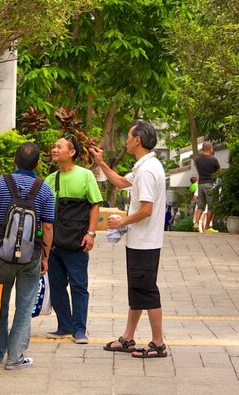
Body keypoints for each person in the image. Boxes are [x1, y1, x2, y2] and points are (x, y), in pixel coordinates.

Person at [90, 120, 169, 359]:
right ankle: (127, 338)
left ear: (138, 140)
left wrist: (121, 222)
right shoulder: (145, 166)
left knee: (147, 291)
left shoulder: (146, 170)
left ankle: (158, 344)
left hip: (145, 242)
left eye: (128, 136)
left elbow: (146, 209)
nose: (126, 140)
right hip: (141, 241)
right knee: (137, 290)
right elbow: (121, 182)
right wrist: (101, 162)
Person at [0, 142, 54, 370]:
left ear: (14, 161)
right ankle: (15, 358)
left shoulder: (0, 183)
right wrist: (46, 256)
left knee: (0, 303)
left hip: (2, 254)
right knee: (24, 307)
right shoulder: (45, 189)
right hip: (31, 257)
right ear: (38, 164)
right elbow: (47, 227)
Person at [44, 135, 103, 345]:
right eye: (54, 146)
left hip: (77, 241)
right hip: (54, 243)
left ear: (72, 152)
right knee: (57, 285)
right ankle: (64, 326)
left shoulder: (86, 175)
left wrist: (91, 233)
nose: (54, 149)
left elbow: (95, 204)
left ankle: (79, 329)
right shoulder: (50, 179)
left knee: (79, 285)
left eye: (59, 146)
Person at [193, 141, 221, 231]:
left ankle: (196, 223)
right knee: (211, 206)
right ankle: (207, 226)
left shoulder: (198, 160)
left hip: (201, 183)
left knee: (200, 205)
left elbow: (198, 171)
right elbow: (219, 171)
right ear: (209, 148)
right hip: (210, 184)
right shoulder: (213, 159)